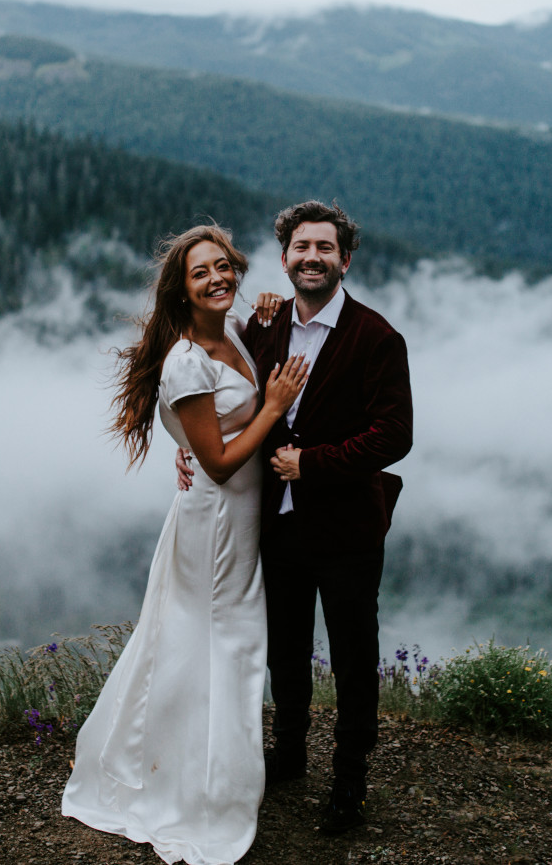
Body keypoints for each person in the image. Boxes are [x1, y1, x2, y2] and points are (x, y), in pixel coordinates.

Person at [62, 223, 309, 865]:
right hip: (217, 522)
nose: (218, 278)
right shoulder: (185, 360)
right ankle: (200, 791)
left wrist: (267, 315)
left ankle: (201, 770)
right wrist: (274, 404)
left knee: (204, 640)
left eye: (224, 265)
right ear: (182, 288)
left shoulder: (228, 334)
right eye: (202, 272)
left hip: (238, 514)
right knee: (221, 641)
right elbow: (221, 461)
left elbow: (204, 439)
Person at [177, 200, 413, 833]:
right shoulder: (262, 328)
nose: (313, 258)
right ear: (284, 259)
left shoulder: (377, 337)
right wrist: (187, 448)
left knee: (354, 657)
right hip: (275, 525)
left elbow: (395, 435)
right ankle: (289, 756)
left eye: (325, 248)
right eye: (301, 248)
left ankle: (350, 783)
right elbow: (228, 403)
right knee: (285, 648)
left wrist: (315, 463)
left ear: (345, 259)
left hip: (348, 530)